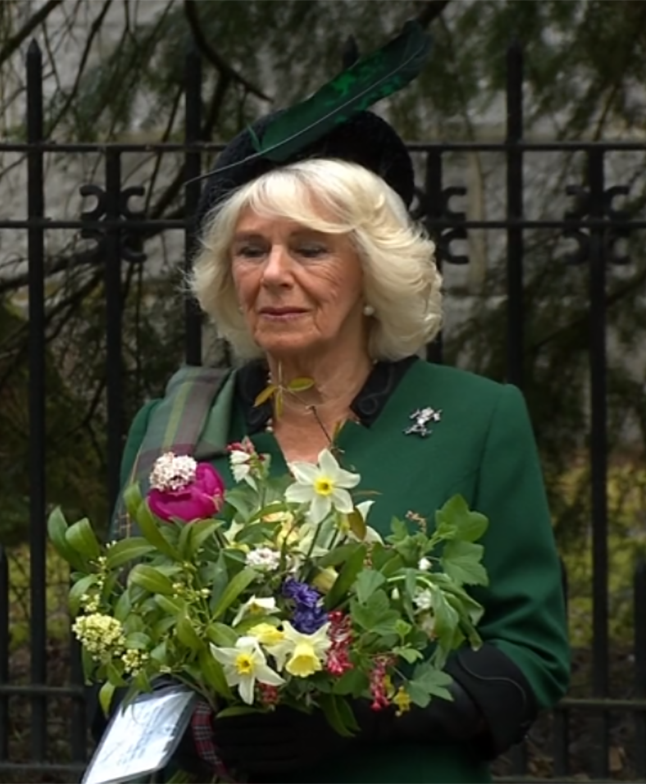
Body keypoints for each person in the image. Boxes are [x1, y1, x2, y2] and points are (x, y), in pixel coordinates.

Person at [106, 25, 571, 784]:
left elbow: (532, 652)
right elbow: (122, 648)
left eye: (311, 248)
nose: (274, 274)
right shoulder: (174, 428)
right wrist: (202, 734)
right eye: (252, 250)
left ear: (372, 274)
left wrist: (372, 712)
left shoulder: (478, 419)